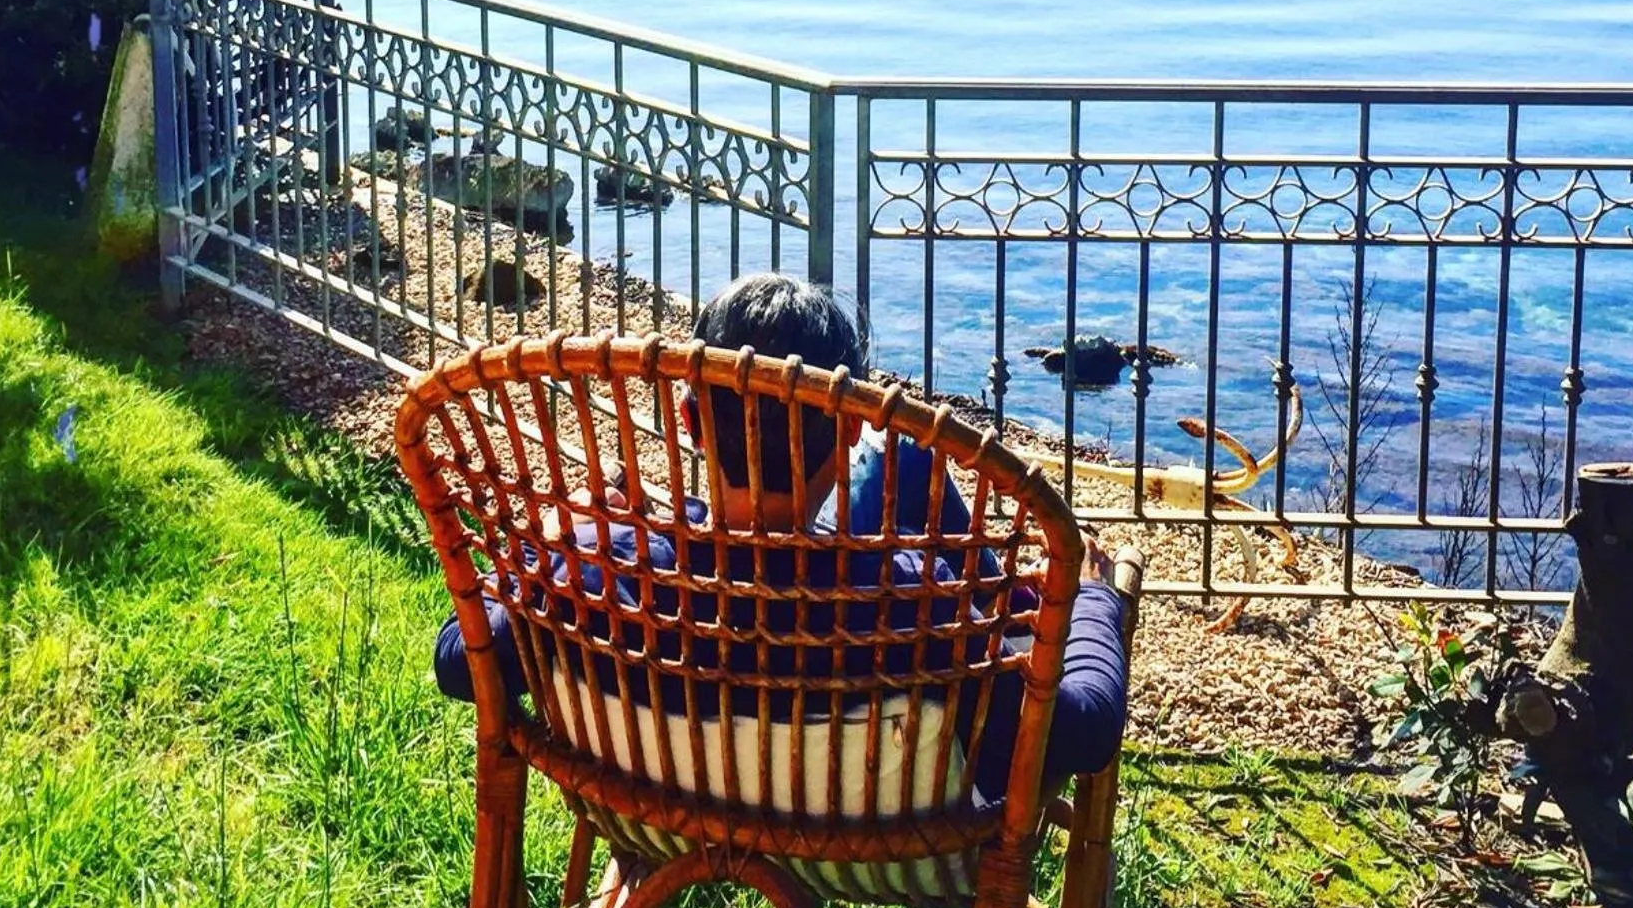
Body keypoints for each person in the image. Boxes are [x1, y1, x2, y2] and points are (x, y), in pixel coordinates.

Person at [432, 272, 1130, 802]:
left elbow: (459, 662)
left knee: (906, 463)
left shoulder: (604, 570)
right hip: (883, 838)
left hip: (662, 795)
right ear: (853, 421)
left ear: (688, 419)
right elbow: (1081, 731)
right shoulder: (911, 602)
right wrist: (1090, 604)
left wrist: (545, 544)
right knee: (912, 458)